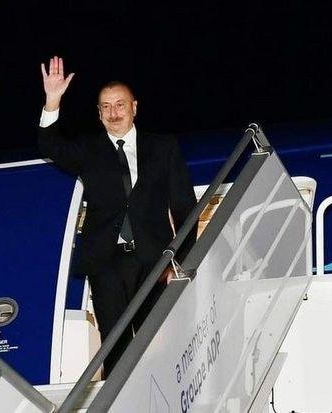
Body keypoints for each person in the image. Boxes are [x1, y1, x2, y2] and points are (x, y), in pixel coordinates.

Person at [38, 56, 197, 376]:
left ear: (134, 107)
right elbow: (50, 146)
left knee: (161, 343)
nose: (114, 113)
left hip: (155, 261)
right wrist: (52, 100)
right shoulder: (88, 150)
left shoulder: (163, 147)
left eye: (120, 105)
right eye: (106, 107)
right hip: (106, 263)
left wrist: (178, 260)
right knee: (115, 345)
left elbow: (184, 208)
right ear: (98, 114)